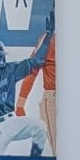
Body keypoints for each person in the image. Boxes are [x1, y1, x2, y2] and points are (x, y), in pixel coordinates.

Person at [16, 12, 56, 151]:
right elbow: (32, 71)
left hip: (69, 97)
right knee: (60, 149)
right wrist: (20, 103)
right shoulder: (49, 39)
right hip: (55, 96)